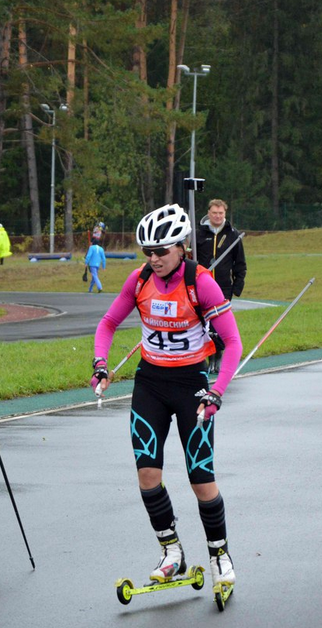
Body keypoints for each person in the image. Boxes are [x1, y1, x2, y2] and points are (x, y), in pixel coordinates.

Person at [91, 203, 243, 595]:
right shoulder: (138, 280)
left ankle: (220, 554)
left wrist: (217, 391)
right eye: (148, 251)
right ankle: (171, 551)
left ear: (181, 247)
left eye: (161, 251)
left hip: (192, 384)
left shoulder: (201, 282)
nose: (154, 258)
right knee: (147, 475)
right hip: (150, 382)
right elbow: (108, 323)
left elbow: (232, 342)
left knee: (201, 479)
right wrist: (101, 363)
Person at [195, 199, 247, 374]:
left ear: (225, 214)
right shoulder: (198, 234)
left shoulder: (233, 235)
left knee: (218, 325)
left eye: (221, 213)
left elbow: (240, 263)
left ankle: (217, 357)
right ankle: (203, 358)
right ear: (208, 213)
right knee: (202, 323)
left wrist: (236, 287)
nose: (217, 216)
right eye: (214, 213)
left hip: (224, 288)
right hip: (202, 287)